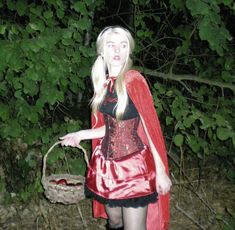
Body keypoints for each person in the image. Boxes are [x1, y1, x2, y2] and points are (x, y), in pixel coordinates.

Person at [60, 26, 172, 230]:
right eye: (111, 45)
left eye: (123, 45)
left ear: (129, 50)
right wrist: (80, 135)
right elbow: (109, 129)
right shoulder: (103, 86)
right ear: (102, 50)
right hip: (107, 169)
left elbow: (149, 129)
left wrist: (161, 171)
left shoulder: (134, 80)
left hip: (134, 169)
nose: (117, 51)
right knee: (114, 221)